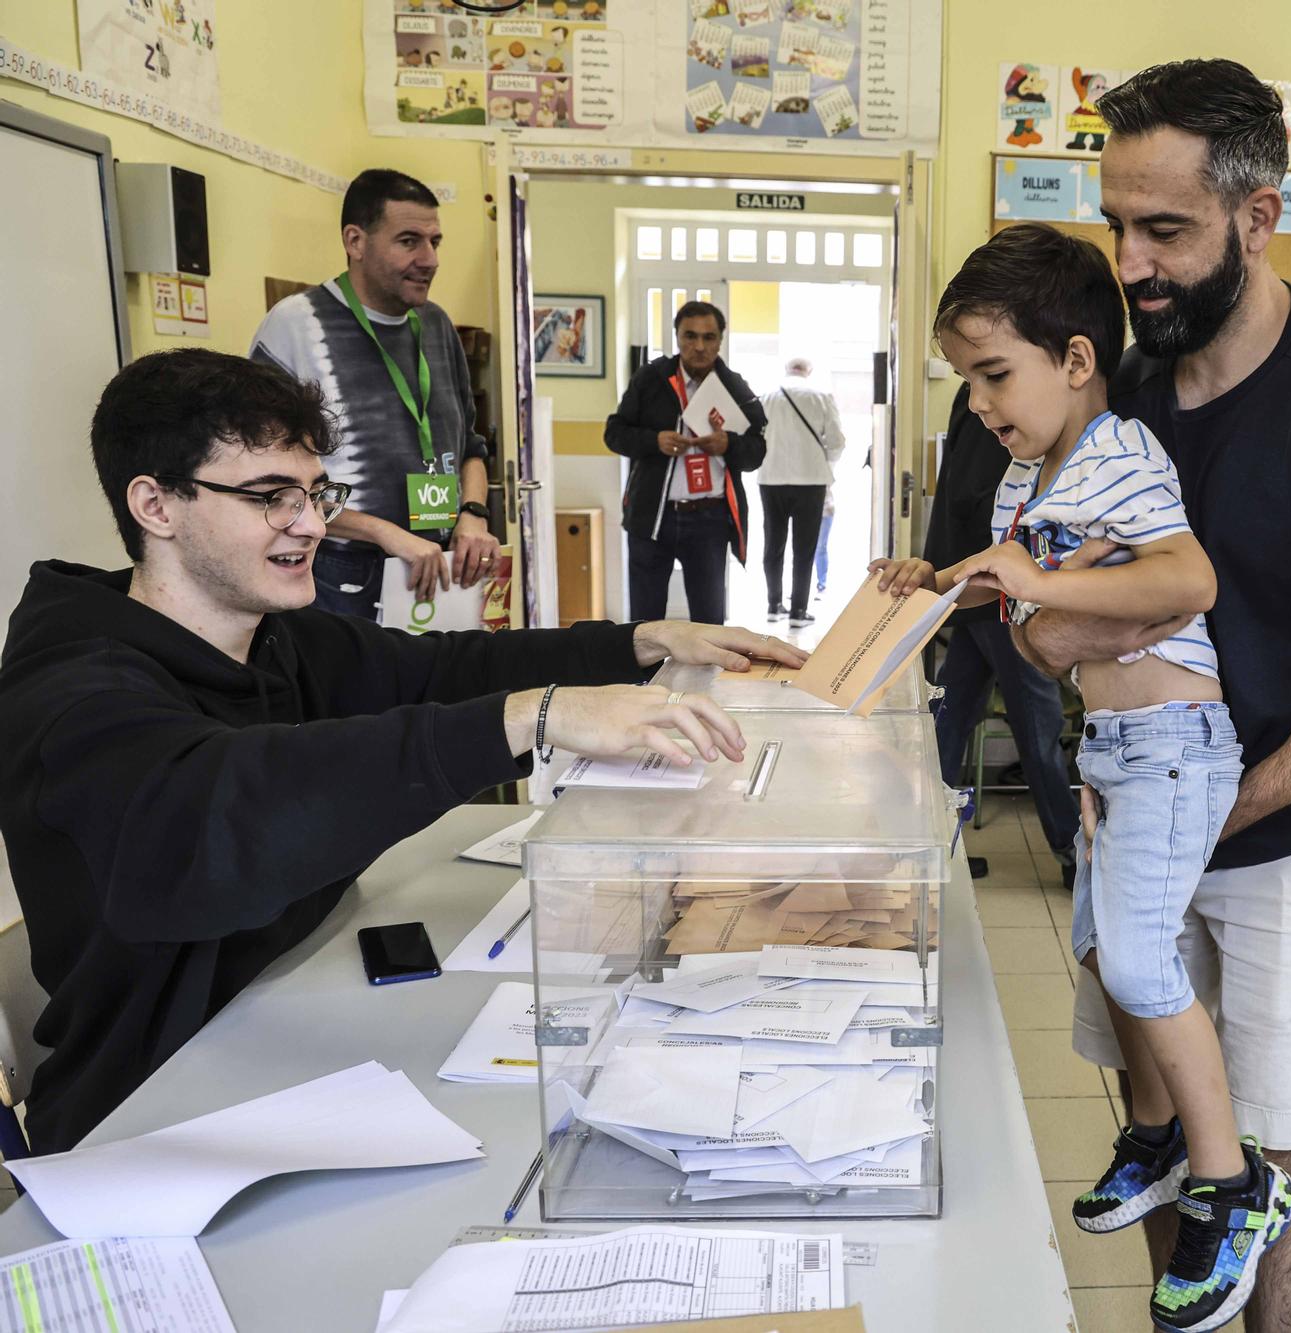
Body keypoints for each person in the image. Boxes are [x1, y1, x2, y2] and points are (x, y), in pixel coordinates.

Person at [0, 349, 804, 1155]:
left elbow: (448, 672)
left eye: (315, 493)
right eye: (270, 497)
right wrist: (531, 718)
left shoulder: (280, 639)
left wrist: (640, 640)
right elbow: (221, 816)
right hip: (146, 1117)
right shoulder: (74, 691)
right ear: (156, 504)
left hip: (296, 1030)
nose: (312, 523)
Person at [1017, 62, 1291, 1333]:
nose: (1131, 261)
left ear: (1257, 218)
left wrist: (1220, 808)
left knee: (1265, 1151)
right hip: (1146, 796)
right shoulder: (1126, 380)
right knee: (1156, 1119)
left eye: (1164, 230)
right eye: (1116, 223)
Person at [875, 224, 1277, 1332]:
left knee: (1146, 964)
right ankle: (1153, 1140)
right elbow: (1021, 578)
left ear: (1076, 360)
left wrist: (1026, 584)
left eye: (995, 375)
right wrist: (941, 580)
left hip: (1174, 745)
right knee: (1102, 949)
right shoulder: (1023, 471)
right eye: (967, 380)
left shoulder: (1120, 452)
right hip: (1110, 752)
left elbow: (1185, 576)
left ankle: (1233, 1183)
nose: (980, 403)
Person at [251, 169, 502, 619]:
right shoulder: (296, 325)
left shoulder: (437, 325)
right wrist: (384, 533)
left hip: (440, 564)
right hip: (341, 569)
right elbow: (267, 482)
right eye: (409, 241)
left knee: (446, 689)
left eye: (435, 242)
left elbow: (470, 447)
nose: (429, 259)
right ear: (355, 241)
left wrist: (474, 514)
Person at [925, 380, 1081, 889]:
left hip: (979, 585)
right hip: (994, 592)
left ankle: (931, 842)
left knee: (949, 720)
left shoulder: (977, 396)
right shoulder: (994, 401)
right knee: (1038, 722)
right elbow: (978, 493)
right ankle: (1071, 848)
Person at [604, 301, 768, 624]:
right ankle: (643, 678)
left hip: (710, 518)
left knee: (709, 620)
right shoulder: (650, 379)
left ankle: (706, 676)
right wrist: (654, 441)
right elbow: (614, 433)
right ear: (677, 337)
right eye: (690, 336)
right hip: (654, 515)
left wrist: (729, 444)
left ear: (721, 340)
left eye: (709, 337)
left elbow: (756, 452)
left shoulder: (734, 387)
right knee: (645, 622)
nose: (699, 346)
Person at [756, 357, 845, 626]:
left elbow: (755, 436)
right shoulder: (820, 397)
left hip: (771, 478)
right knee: (805, 547)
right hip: (811, 481)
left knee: (773, 543)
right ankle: (798, 612)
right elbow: (837, 441)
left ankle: (773, 605)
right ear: (808, 372)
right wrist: (824, 461)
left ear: (787, 370)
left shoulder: (766, 397)